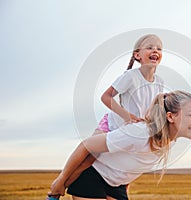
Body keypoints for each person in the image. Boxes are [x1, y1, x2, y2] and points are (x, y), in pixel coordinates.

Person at [47, 34, 164, 199]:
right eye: (150, 47)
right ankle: (57, 187)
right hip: (111, 125)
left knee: (127, 160)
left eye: (159, 48)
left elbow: (154, 108)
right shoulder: (130, 76)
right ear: (138, 55)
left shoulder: (159, 82)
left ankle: (120, 189)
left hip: (129, 131)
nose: (155, 50)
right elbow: (106, 96)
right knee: (88, 159)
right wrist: (128, 116)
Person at [48, 90, 191, 200]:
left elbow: (134, 164)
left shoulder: (168, 142)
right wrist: (60, 183)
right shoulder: (140, 133)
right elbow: (87, 145)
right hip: (91, 177)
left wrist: (124, 185)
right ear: (170, 117)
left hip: (116, 186)